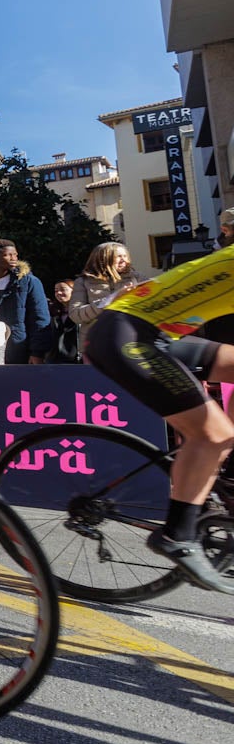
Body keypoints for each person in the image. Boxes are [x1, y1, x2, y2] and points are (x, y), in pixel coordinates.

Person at [83, 248, 234, 593]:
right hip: (126, 336)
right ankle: (177, 535)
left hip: (154, 333)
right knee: (214, 436)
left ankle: (222, 473)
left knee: (223, 434)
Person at [0, 239, 52, 364]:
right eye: (7, 255)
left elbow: (39, 318)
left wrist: (37, 352)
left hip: (18, 350)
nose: (14, 258)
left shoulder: (28, 282)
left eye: (15, 255)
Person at [67, 242, 138, 354]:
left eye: (125, 256)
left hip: (131, 344)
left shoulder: (137, 278)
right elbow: (75, 315)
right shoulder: (83, 282)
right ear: (103, 259)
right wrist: (110, 300)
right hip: (96, 346)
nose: (123, 260)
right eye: (119, 256)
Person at [46, 280, 83, 364]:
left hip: (77, 359)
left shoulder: (82, 311)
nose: (58, 293)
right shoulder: (52, 312)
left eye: (63, 289)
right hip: (55, 359)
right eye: (56, 291)